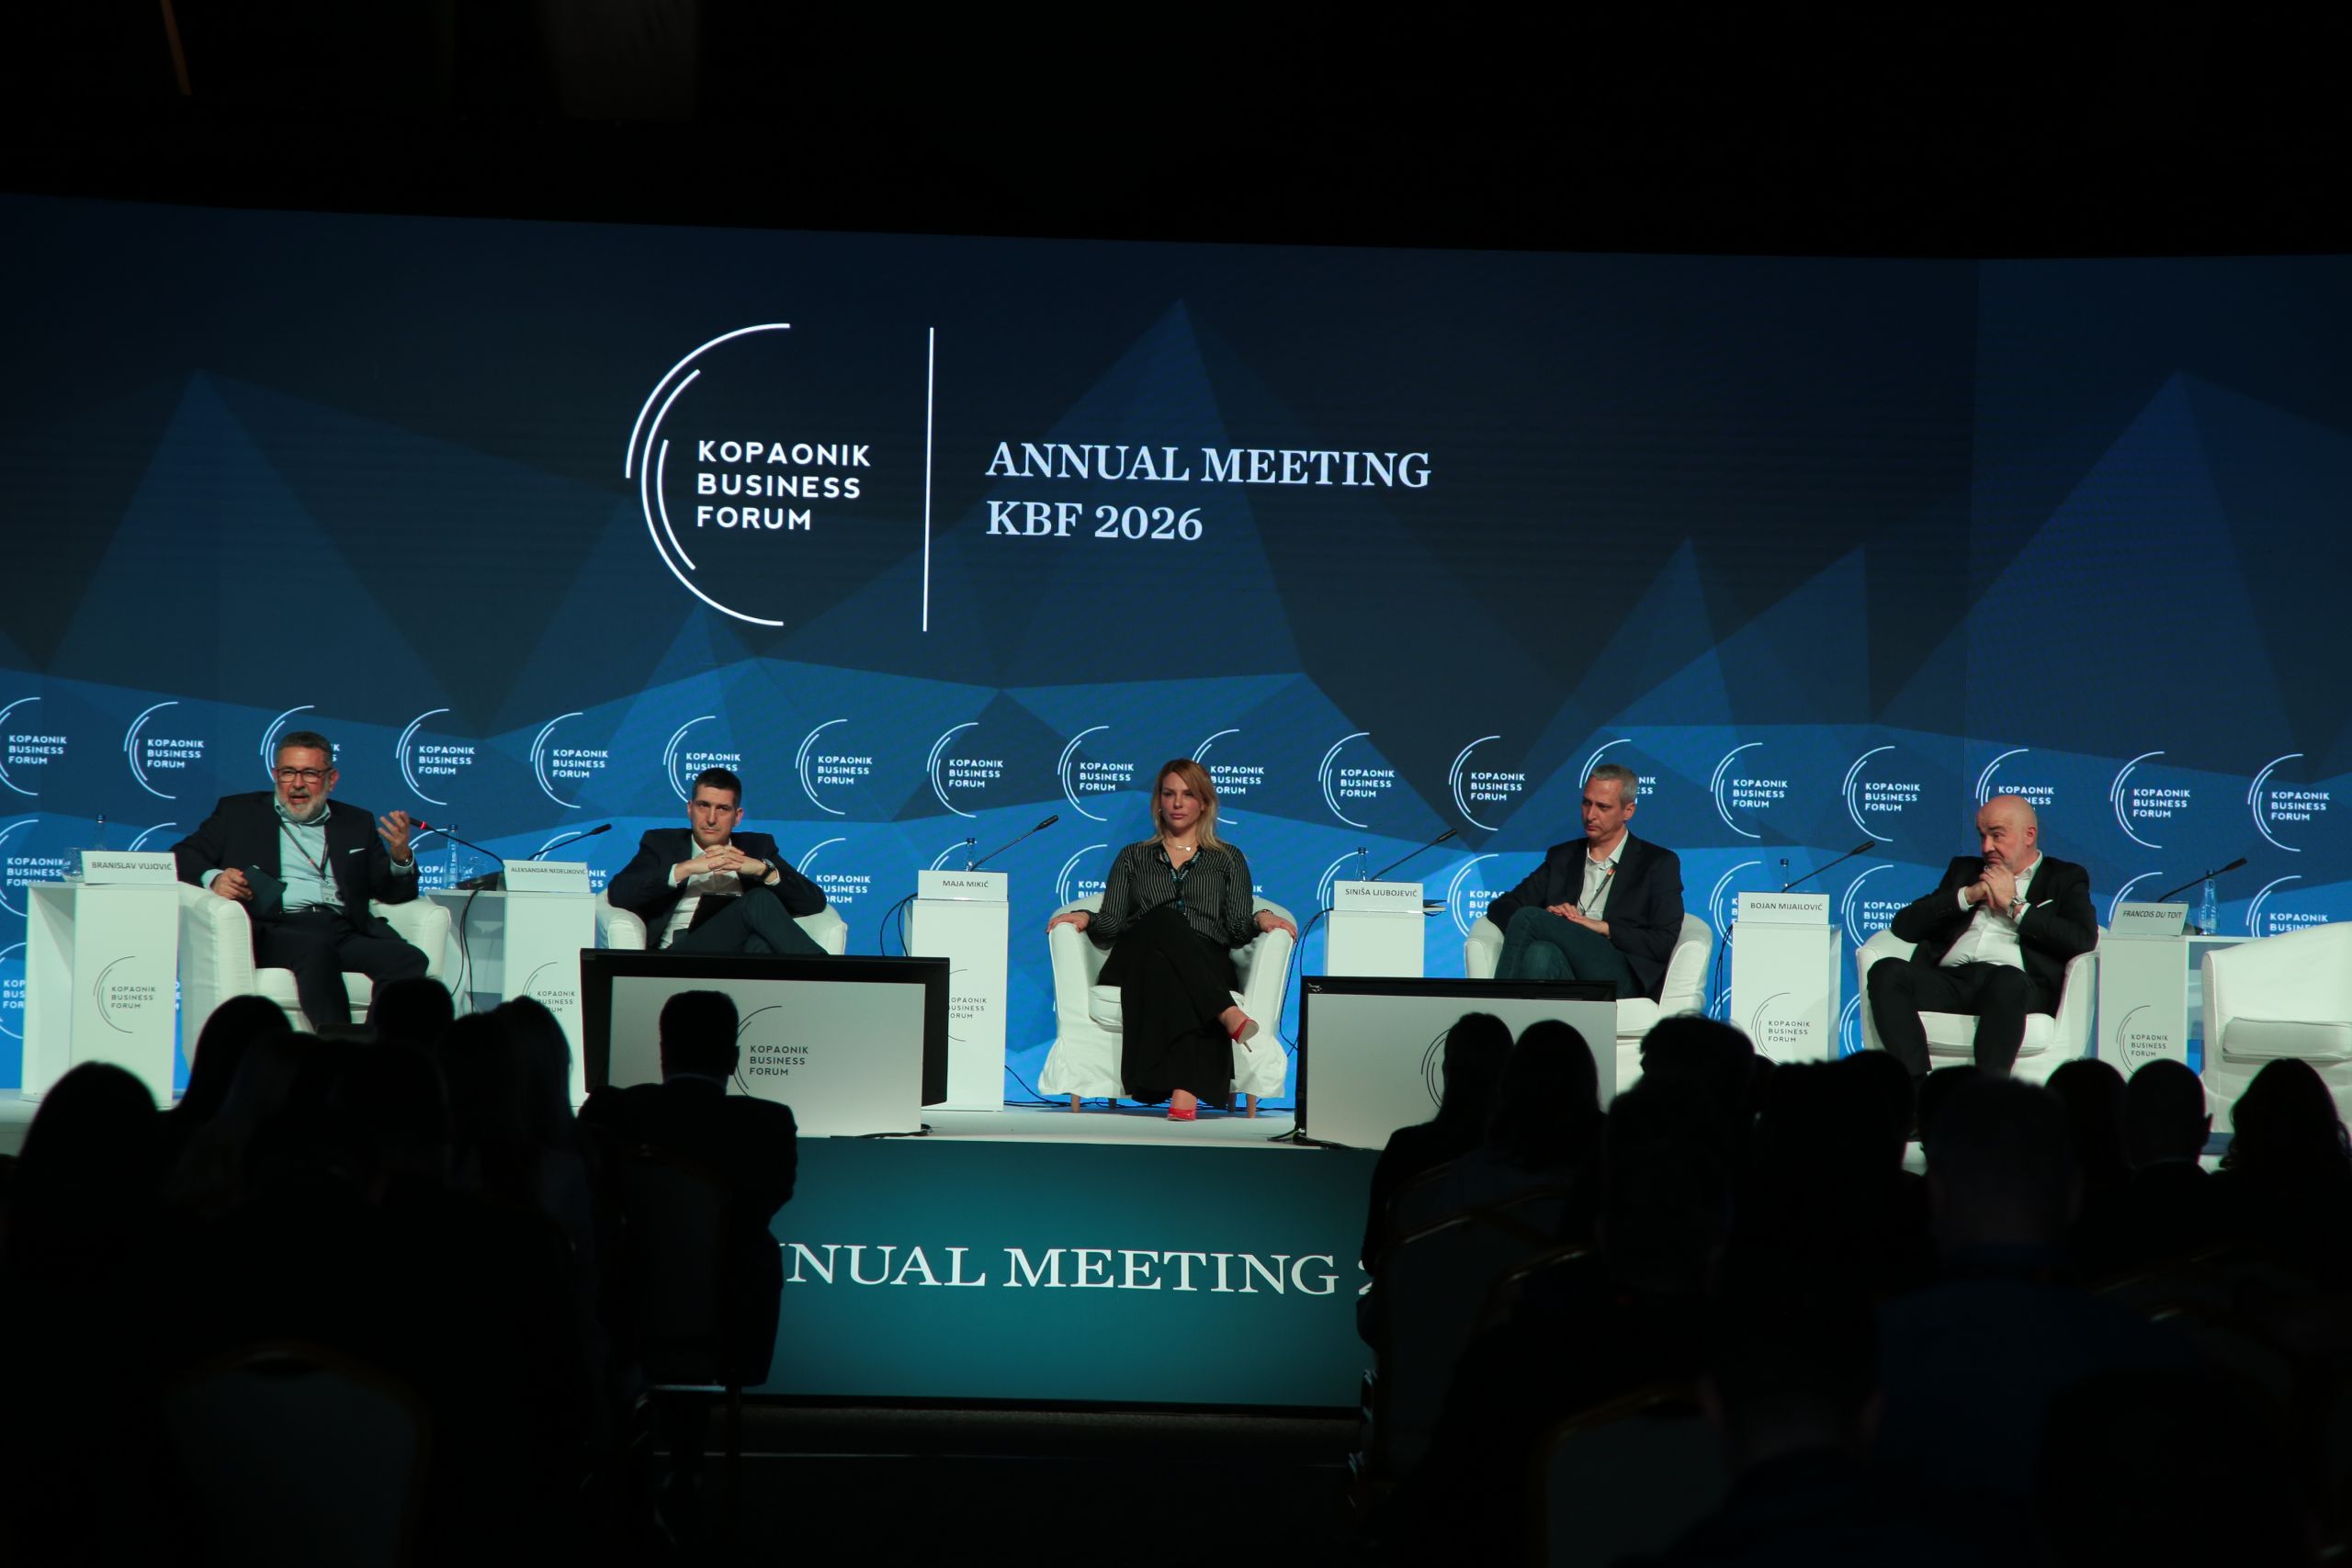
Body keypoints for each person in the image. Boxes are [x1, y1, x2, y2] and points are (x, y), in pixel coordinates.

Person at [1046, 760, 1297, 1121]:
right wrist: (1087, 916)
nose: (1178, 803)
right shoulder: (1133, 856)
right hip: (1136, 958)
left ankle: (1183, 1087)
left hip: (1202, 959)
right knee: (1164, 919)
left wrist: (1261, 917)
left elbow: (1237, 928)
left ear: (1204, 803)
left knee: (1175, 970)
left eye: (1188, 794)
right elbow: (1112, 923)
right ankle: (1225, 1011)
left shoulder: (1228, 859)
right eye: (1169, 794)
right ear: (1159, 802)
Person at [171, 728, 428, 1029]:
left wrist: (401, 858)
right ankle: (337, 1044)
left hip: (341, 928)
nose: (297, 784)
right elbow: (181, 855)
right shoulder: (238, 813)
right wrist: (214, 878)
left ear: (331, 779)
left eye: (309, 774)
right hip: (275, 928)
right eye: (288, 772)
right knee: (315, 949)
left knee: (408, 959)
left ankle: (372, 1046)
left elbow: (392, 892)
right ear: (274, 774)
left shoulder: (356, 822)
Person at [1866, 794, 2096, 1077]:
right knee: (1886, 971)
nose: (1987, 847)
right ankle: (1915, 1088)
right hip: (1953, 980)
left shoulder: (2064, 877)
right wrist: (1968, 895)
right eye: (1982, 836)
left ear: (2029, 835)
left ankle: (1987, 1091)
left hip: (2016, 984)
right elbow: (1904, 926)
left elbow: (2081, 939)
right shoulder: (1965, 871)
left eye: (1997, 835)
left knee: (2006, 980)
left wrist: (2015, 906)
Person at [1481, 762, 1684, 998]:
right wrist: (1551, 919)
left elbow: (1664, 941)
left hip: (1619, 973)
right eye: (1587, 803)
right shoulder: (1563, 857)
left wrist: (1603, 928)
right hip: (1567, 967)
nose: (1590, 815)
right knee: (1540, 953)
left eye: (1603, 807)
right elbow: (1501, 906)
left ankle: (1495, 1011)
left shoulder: (1657, 863)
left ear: (1628, 811)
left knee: (1530, 918)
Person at [605, 766, 830, 955]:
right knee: (758, 900)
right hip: (681, 953)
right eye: (704, 806)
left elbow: (813, 902)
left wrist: (762, 870)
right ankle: (830, 976)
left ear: (737, 816)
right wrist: (686, 868)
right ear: (690, 809)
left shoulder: (757, 847)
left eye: (722, 809)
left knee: (761, 945)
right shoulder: (661, 843)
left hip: (740, 953)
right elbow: (619, 894)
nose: (711, 819)